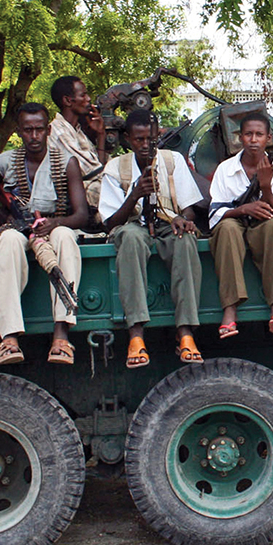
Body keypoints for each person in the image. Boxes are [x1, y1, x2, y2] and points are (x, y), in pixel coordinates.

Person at [100, 109, 204, 368]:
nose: (145, 145)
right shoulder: (115, 167)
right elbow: (110, 222)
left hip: (168, 224)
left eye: (150, 139)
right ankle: (136, 335)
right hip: (133, 226)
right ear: (127, 139)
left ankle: (186, 333)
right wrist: (135, 194)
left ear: (157, 135)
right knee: (130, 239)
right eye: (139, 140)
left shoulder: (172, 160)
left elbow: (189, 207)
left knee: (186, 240)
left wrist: (182, 218)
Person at [0, 103, 88, 365]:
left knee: (66, 237)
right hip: (20, 230)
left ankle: (61, 334)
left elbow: (81, 215)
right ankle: (9, 338)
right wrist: (8, 219)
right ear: (19, 132)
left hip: (53, 227)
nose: (34, 136)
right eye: (28, 130)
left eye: (39, 130)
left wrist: (55, 223)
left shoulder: (66, 162)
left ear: (48, 130)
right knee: (7, 241)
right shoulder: (4, 162)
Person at [208, 112, 273, 340]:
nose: (253, 140)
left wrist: (265, 187)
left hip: (264, 224)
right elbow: (216, 214)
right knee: (226, 229)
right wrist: (243, 209)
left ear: (269, 138)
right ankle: (230, 309)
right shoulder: (225, 169)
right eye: (248, 134)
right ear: (240, 138)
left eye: (259, 135)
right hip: (235, 222)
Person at [49, 75, 107, 221]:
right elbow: (93, 171)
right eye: (83, 95)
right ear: (68, 100)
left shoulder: (76, 131)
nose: (88, 99)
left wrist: (100, 135)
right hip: (70, 198)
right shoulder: (59, 132)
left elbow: (99, 168)